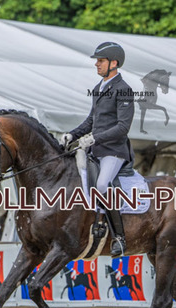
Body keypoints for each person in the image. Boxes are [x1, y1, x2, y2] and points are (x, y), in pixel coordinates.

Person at [59, 42, 134, 257]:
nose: (96, 64)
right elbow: (91, 120)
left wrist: (94, 138)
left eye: (100, 61)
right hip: (96, 150)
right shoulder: (98, 88)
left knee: (101, 185)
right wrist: (73, 134)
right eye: (97, 61)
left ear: (114, 63)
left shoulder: (124, 90)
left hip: (114, 150)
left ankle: (119, 237)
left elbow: (123, 127)